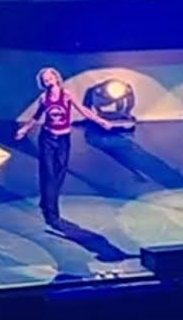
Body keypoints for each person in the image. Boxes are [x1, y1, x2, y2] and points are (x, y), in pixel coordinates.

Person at [15, 67, 111, 228]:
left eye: (50, 78)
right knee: (48, 174)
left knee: (59, 174)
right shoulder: (44, 98)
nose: (48, 81)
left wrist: (100, 121)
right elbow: (36, 117)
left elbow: (83, 110)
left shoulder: (66, 95)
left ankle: (46, 200)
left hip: (63, 140)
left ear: (56, 78)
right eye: (45, 80)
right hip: (47, 139)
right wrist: (24, 129)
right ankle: (52, 214)